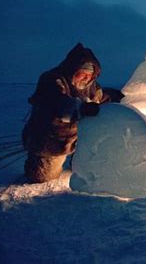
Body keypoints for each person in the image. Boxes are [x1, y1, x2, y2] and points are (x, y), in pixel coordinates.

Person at [22, 43, 123, 183]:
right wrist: (82, 108)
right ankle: (37, 163)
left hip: (78, 137)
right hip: (51, 138)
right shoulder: (52, 79)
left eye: (90, 75)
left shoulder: (91, 86)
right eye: (83, 74)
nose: (86, 78)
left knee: (89, 163)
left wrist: (118, 96)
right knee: (42, 178)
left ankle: (77, 159)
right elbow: (57, 103)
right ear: (73, 70)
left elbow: (101, 97)